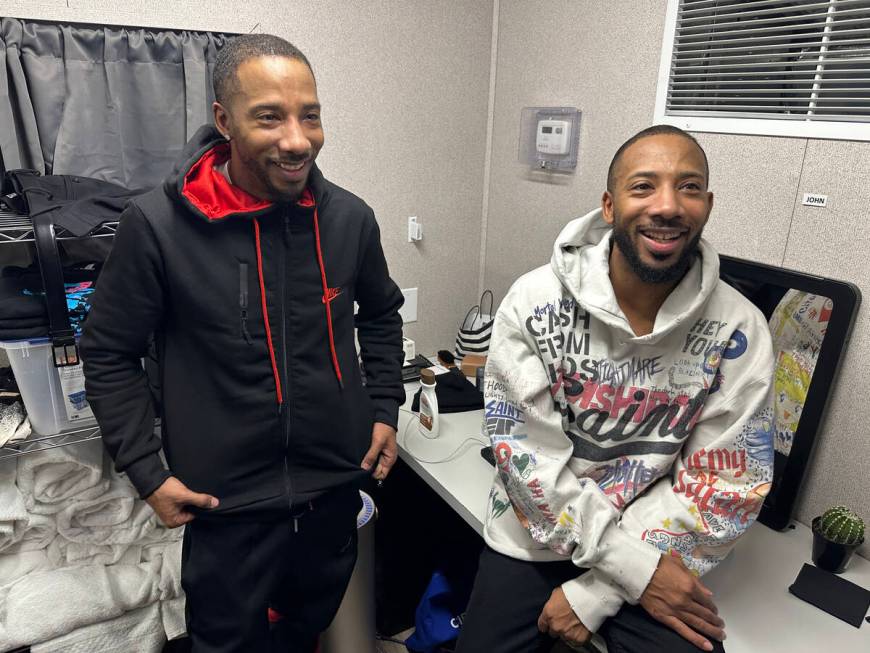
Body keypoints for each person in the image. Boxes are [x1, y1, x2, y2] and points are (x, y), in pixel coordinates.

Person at [80, 34, 405, 653]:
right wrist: (147, 472)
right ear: (224, 121)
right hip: (225, 505)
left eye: (309, 115)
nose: (297, 138)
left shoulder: (349, 220)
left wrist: (384, 407)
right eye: (270, 117)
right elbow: (109, 353)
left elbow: (382, 313)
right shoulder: (157, 227)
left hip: (331, 491)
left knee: (305, 631)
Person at [455, 125, 775, 653]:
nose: (668, 205)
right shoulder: (532, 302)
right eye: (644, 186)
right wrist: (625, 568)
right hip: (535, 535)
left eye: (689, 187)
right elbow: (527, 463)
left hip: (660, 544)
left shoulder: (740, 331)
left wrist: (601, 589)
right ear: (609, 204)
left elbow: (724, 487)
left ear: (708, 204)